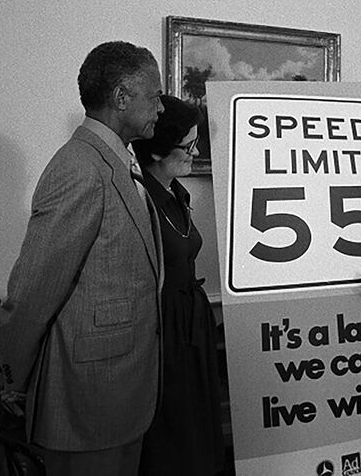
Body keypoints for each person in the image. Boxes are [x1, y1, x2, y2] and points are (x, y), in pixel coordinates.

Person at [0, 41, 164, 476]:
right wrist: (11, 379)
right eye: (155, 96)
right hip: (86, 402)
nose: (161, 108)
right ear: (122, 97)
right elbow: (33, 291)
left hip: (118, 394)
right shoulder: (79, 168)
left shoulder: (115, 161)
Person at [132, 96, 225, 476]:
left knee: (198, 421)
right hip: (163, 328)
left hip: (193, 320)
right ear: (157, 153)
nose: (197, 152)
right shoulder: (141, 200)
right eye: (189, 146)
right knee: (172, 429)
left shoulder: (177, 194)